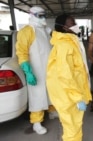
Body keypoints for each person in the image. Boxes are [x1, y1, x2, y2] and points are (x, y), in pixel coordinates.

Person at [46, 13, 92, 141]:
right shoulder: (65, 45)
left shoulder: (70, 42)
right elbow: (65, 75)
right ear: (65, 28)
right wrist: (77, 97)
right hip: (68, 94)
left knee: (73, 125)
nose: (76, 26)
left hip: (71, 91)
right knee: (72, 126)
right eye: (73, 23)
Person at [15, 6, 57, 135]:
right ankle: (36, 123)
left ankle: (52, 112)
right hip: (36, 70)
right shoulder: (26, 31)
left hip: (49, 69)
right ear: (32, 15)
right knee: (37, 96)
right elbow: (22, 52)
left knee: (51, 91)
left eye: (44, 15)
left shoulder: (45, 29)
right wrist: (28, 71)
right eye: (40, 16)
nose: (43, 18)